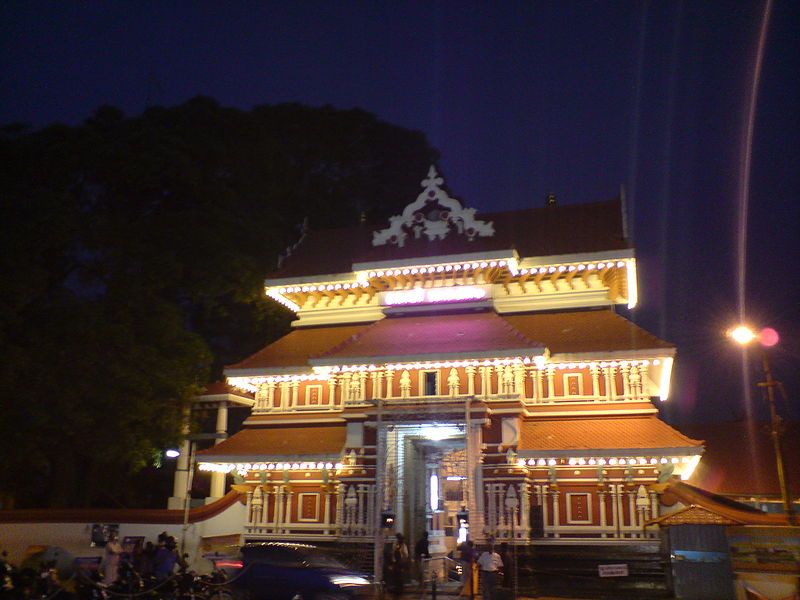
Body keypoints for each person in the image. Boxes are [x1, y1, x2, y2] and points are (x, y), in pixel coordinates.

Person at [388, 533, 409, 599]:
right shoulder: (396, 544)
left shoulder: (403, 545)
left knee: (399, 577)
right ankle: (397, 590)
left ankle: (399, 590)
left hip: (400, 563)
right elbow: (393, 553)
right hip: (397, 563)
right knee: (397, 577)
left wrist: (402, 562)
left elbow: (405, 555)